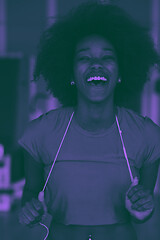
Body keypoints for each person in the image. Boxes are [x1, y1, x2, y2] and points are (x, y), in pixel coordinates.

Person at [18, 1, 160, 240]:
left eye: (107, 57)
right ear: (70, 73)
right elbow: (31, 192)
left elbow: (144, 210)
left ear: (121, 73)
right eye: (84, 58)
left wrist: (144, 206)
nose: (97, 64)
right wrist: (29, 211)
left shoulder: (148, 135)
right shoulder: (40, 133)